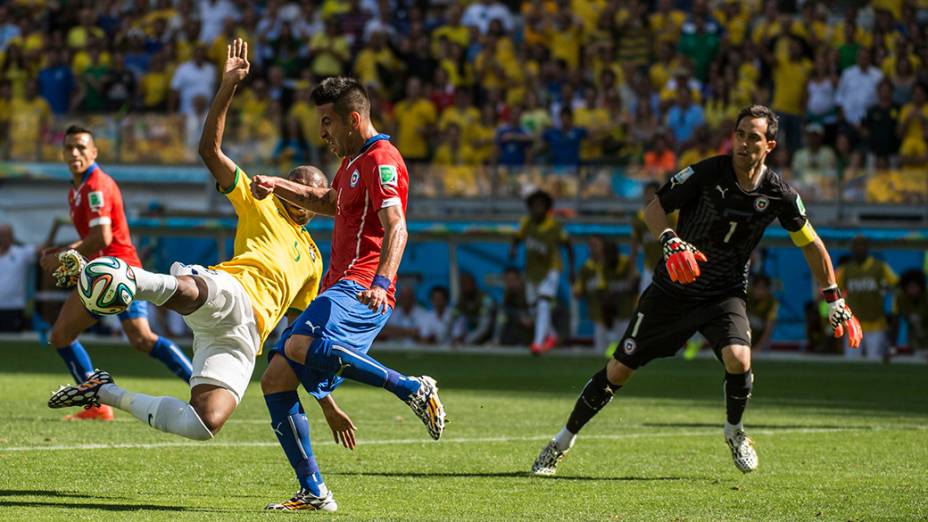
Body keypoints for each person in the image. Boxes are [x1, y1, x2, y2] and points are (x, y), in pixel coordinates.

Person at [531, 105, 862, 477]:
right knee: (619, 369)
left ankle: (735, 432)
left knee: (739, 358)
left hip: (723, 293)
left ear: (769, 145)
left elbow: (811, 243)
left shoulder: (780, 194)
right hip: (673, 289)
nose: (743, 142)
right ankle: (561, 442)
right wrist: (670, 239)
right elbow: (653, 209)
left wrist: (834, 297)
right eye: (739, 133)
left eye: (753, 137)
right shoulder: (706, 173)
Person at [47, 39, 339, 449]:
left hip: (241, 341)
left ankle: (103, 392)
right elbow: (210, 151)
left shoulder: (313, 260)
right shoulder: (262, 199)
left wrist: (324, 399)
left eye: (312, 193)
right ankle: (130, 277)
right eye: (297, 187)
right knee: (191, 291)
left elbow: (298, 334)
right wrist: (229, 86)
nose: (302, 197)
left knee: (204, 423)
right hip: (230, 292)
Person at [247, 75, 446, 511]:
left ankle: (411, 387)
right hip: (340, 286)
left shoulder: (383, 160)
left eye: (327, 123)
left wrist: (381, 281)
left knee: (300, 342)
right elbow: (328, 202)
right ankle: (315, 491)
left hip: (361, 285)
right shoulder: (352, 163)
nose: (322, 133)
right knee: (275, 379)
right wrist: (278, 185)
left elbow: (398, 227)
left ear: (352, 119)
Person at [41, 125, 192, 421]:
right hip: (114, 272)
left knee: (62, 335)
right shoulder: (78, 188)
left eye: (81, 147)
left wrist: (63, 255)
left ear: (94, 152)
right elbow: (93, 237)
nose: (75, 152)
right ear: (63, 153)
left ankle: (97, 403)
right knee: (142, 339)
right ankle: (197, 383)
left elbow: (102, 237)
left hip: (113, 273)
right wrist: (64, 250)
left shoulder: (96, 185)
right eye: (69, 147)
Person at [510, 189, 574, 355]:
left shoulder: (555, 226)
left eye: (541, 205)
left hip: (550, 270)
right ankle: (552, 335)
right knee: (534, 309)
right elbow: (517, 237)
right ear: (530, 207)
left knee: (543, 304)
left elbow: (568, 246)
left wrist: (572, 269)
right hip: (532, 271)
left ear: (547, 208)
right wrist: (513, 249)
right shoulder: (526, 223)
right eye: (534, 205)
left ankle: (537, 344)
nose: (538, 209)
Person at [836, 235, 897, 361]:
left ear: (867, 248)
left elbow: (896, 284)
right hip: (852, 324)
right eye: (856, 246)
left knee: (875, 361)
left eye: (862, 246)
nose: (859, 249)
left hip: (876, 323)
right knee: (851, 362)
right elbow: (832, 290)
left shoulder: (880, 267)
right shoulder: (846, 270)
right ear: (852, 249)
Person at [0, 224, 37, 332]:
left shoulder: (21, 253)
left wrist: (55, 228)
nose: (2, 238)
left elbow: (43, 249)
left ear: (11, 237)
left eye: (4, 235)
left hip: (13, 308)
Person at [891, 269, 928, 361]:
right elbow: (896, 323)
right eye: (909, 287)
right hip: (913, 341)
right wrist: (892, 348)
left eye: (914, 287)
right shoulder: (900, 298)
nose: (912, 291)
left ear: (921, 286)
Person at [450, 272, 496, 345]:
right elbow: (451, 320)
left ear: (474, 284)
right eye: (463, 284)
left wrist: (466, 341)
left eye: (469, 284)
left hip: (491, 336)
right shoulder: (459, 302)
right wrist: (443, 340)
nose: (466, 287)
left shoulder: (486, 301)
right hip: (472, 336)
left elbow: (484, 327)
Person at [747, 274, 779, 351]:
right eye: (758, 288)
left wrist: (759, 347)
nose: (760, 292)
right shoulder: (745, 295)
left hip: (759, 341)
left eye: (764, 289)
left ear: (768, 290)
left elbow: (770, 326)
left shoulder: (771, 302)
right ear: (753, 287)